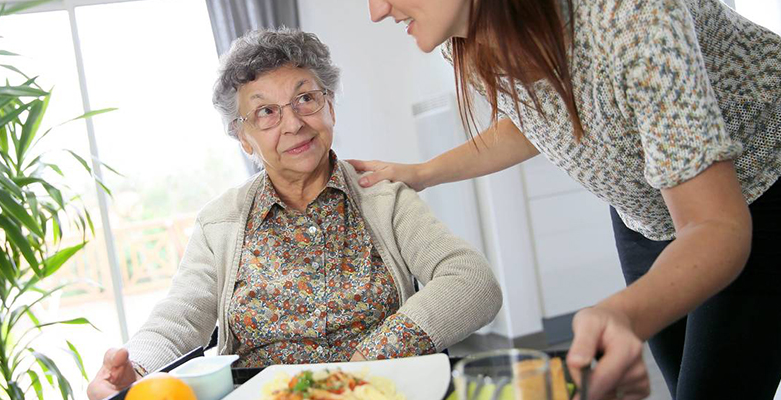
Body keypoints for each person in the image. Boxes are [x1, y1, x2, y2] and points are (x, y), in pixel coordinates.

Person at [358, 0, 781, 399]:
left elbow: (714, 224)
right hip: (647, 216)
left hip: (758, 190)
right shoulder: (464, 38)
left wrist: (624, 314)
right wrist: (422, 173)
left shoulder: (631, 15)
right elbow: (540, 117)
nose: (376, 11)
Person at [86, 28, 503, 400]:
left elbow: (472, 281)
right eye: (266, 112)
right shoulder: (221, 221)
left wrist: (363, 365)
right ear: (244, 138)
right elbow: (179, 316)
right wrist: (135, 366)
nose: (293, 123)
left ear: (330, 108)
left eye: (305, 99)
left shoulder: (384, 198)